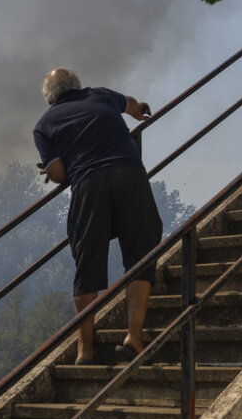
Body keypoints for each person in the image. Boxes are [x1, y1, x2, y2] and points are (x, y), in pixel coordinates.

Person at [33, 67, 163, 365]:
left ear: (50, 99)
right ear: (77, 86)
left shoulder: (43, 125)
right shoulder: (101, 95)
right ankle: (133, 336)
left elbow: (59, 173)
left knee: (88, 260)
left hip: (89, 184)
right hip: (129, 173)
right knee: (141, 252)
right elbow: (130, 103)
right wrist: (138, 109)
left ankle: (85, 350)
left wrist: (53, 166)